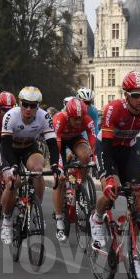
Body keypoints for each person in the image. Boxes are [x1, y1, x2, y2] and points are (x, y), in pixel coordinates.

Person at [89, 71, 140, 251]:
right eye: (136, 95)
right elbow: (107, 148)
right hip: (107, 149)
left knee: (138, 200)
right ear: (126, 95)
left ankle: (135, 251)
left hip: (128, 149)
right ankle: (97, 217)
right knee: (113, 189)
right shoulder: (113, 109)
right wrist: (109, 178)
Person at [0, 87, 62, 245]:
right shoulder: (10, 116)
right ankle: (6, 221)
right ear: (19, 103)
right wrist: (13, 166)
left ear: (38, 106)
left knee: (37, 171)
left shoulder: (44, 116)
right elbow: (5, 146)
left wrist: (55, 165)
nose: (28, 109)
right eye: (25, 104)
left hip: (29, 147)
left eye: (33, 106)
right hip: (10, 149)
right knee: (13, 182)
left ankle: (35, 210)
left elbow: (52, 144)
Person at [51, 98, 96, 241]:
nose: (78, 122)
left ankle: (78, 183)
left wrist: (96, 159)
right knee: (60, 179)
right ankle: (59, 220)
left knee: (85, 157)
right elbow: (56, 150)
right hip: (58, 141)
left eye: (80, 119)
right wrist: (58, 168)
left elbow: (93, 141)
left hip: (74, 138)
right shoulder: (59, 119)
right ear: (68, 115)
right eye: (75, 119)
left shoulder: (87, 120)